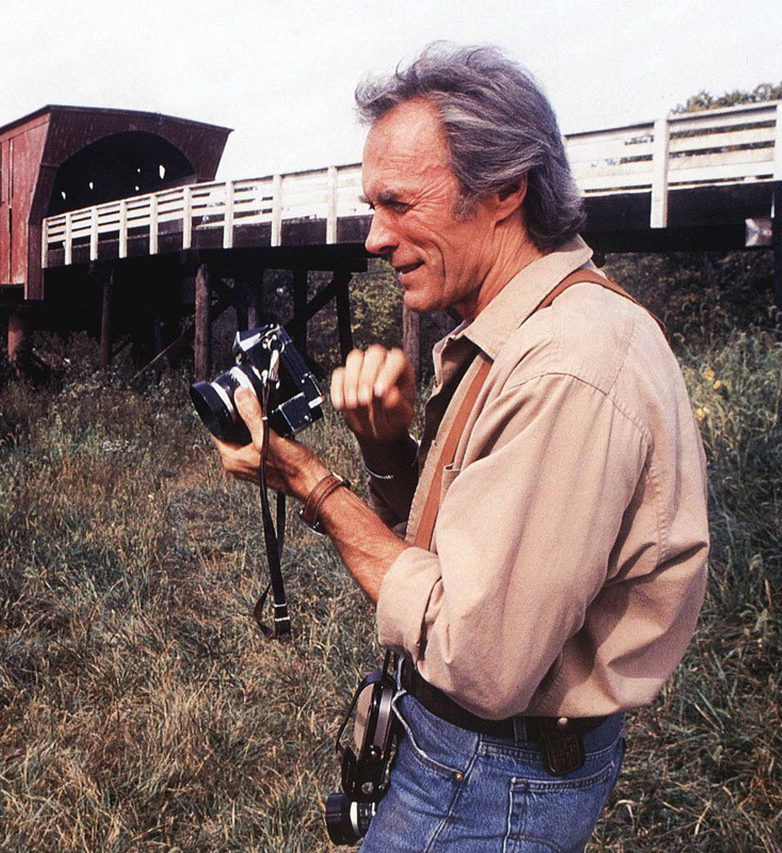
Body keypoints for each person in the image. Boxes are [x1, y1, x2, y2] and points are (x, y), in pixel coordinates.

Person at [211, 45, 708, 851]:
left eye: (399, 203)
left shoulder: (566, 367)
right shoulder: (527, 329)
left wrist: (308, 479)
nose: (375, 238)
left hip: (491, 778)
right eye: (373, 206)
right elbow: (466, 554)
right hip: (474, 759)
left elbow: (479, 656)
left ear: (506, 189)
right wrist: (385, 449)